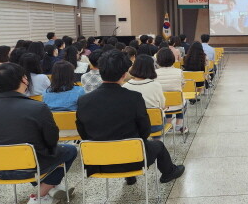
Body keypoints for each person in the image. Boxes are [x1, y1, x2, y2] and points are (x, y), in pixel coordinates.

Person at [76, 50, 185, 185]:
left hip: (97, 162)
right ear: (123, 74)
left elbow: (83, 133)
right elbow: (145, 132)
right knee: (158, 145)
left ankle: (130, 177)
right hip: (133, 160)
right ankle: (168, 173)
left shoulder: (83, 101)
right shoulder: (134, 98)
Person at [0, 63, 77, 203]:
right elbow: (52, 139)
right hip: (29, 167)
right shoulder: (38, 107)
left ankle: (52, 188)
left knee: (32, 154)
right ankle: (41, 194)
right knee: (70, 150)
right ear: (23, 80)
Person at [123, 54, 166, 138]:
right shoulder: (155, 85)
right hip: (155, 125)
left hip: (133, 126)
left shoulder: (125, 86)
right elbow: (162, 105)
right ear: (151, 68)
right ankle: (156, 143)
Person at [155, 48, 187, 134]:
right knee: (183, 100)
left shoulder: (154, 73)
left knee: (165, 100)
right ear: (172, 59)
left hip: (162, 106)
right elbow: (183, 85)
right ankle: (178, 125)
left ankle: (168, 124)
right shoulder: (179, 71)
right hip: (178, 104)